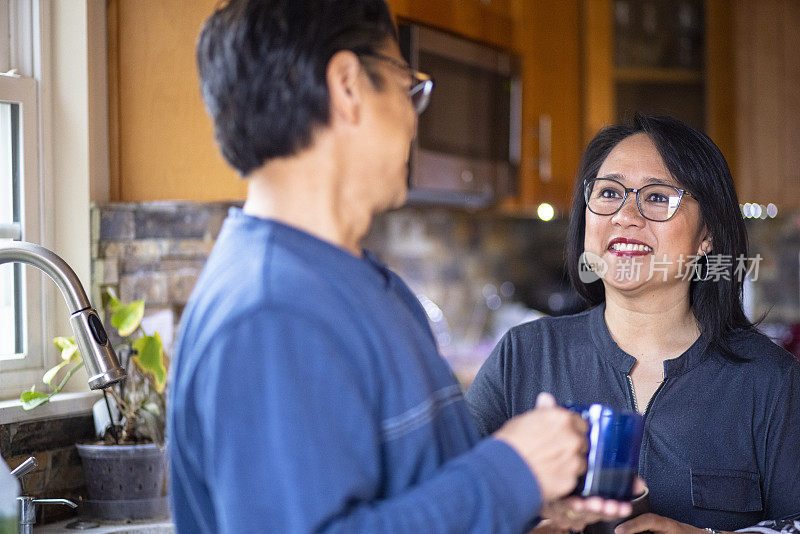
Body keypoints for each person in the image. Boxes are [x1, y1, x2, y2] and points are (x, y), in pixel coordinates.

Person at [167, 1, 633, 532]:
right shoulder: (271, 310)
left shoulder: (367, 286)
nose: (415, 118)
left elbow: (414, 495)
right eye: (408, 86)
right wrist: (511, 471)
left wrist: (526, 504)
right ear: (347, 86)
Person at [465, 113, 800, 534]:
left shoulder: (771, 381)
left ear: (707, 236)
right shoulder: (523, 357)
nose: (626, 215)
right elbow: (447, 502)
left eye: (658, 197)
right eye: (608, 192)